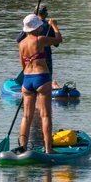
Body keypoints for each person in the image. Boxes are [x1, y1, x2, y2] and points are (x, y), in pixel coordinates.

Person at [18, 11, 62, 154]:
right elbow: (58, 40)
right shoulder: (40, 39)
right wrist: (54, 26)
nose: (41, 28)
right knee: (46, 115)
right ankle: (48, 149)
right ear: (35, 28)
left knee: (26, 116)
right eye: (39, 26)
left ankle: (23, 147)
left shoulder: (21, 43)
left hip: (27, 80)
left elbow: (23, 65)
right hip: (41, 77)